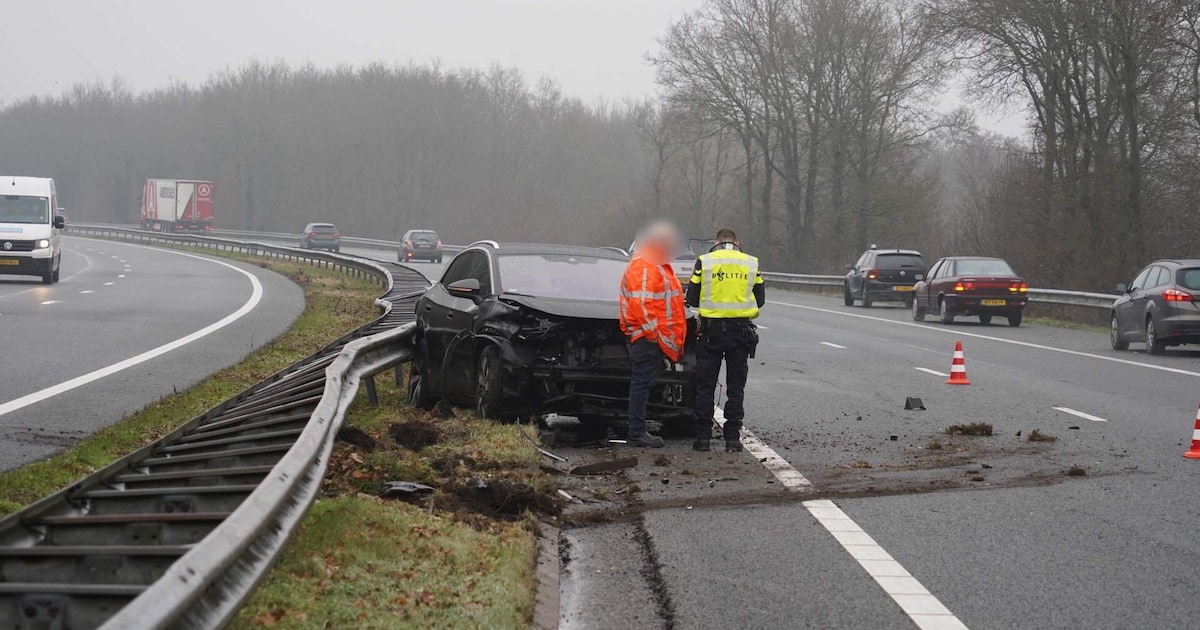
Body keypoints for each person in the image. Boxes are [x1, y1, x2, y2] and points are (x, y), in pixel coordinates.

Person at [686, 228, 765, 452]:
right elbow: (760, 299)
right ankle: (732, 439)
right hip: (739, 333)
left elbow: (692, 298)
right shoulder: (751, 263)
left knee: (705, 387)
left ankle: (703, 439)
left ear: (716, 242)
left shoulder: (705, 261)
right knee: (736, 388)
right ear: (737, 242)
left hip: (710, 333)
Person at [619, 221, 687, 448]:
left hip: (653, 338)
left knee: (643, 384)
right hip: (648, 339)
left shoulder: (657, 264)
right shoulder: (646, 264)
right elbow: (640, 303)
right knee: (641, 385)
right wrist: (652, 333)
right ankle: (636, 433)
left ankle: (637, 431)